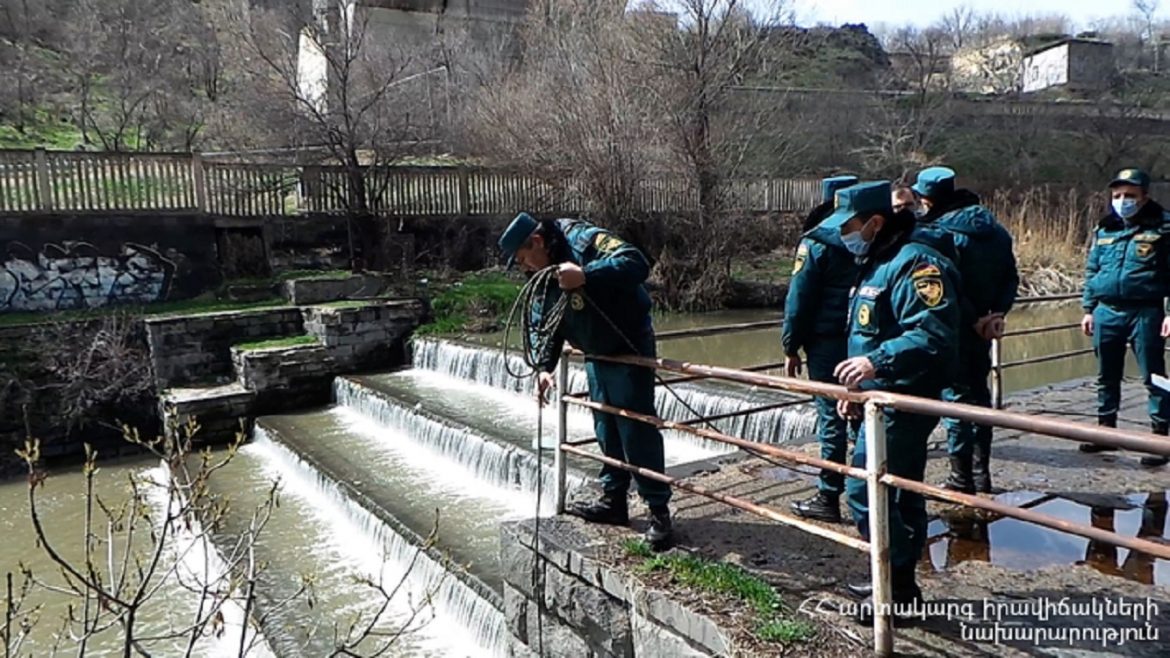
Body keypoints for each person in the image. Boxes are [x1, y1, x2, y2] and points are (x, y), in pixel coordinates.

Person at [822, 181, 961, 613]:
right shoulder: (876, 260)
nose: (843, 234)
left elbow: (932, 331)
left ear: (875, 222)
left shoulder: (916, 263)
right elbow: (865, 330)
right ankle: (898, 586)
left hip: (903, 397)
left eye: (849, 226)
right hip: (877, 397)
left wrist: (875, 363)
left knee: (865, 491)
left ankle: (896, 584)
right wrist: (856, 388)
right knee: (899, 494)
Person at [497, 212, 674, 548]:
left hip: (628, 346)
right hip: (594, 351)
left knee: (636, 427)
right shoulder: (542, 274)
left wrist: (586, 275)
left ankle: (658, 511)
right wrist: (544, 368)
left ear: (536, 242)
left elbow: (635, 262)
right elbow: (543, 317)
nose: (525, 268)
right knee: (605, 427)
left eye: (523, 259)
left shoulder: (581, 239)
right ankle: (614, 500)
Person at [911, 166, 1019, 493]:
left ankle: (961, 477)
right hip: (985, 329)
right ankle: (981, 473)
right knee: (980, 397)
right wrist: (996, 313)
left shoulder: (940, 234)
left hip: (954, 327)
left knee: (955, 400)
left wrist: (972, 318)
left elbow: (948, 287)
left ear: (928, 199)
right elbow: (1010, 277)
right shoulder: (997, 231)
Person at [1080, 168, 1170, 467]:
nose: (1122, 201)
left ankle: (1160, 439)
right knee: (1106, 375)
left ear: (1144, 197)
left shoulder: (1163, 227)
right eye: (1117, 196)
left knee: (1153, 376)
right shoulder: (1104, 229)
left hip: (1145, 311)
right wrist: (1088, 308)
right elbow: (1092, 271)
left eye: (1130, 195)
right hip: (1107, 311)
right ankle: (1105, 431)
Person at [783, 175, 859, 523]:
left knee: (831, 418)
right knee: (860, 412)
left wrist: (791, 345)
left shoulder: (817, 241)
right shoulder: (874, 235)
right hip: (863, 340)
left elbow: (799, 299)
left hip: (826, 343)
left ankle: (828, 495)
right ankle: (866, 485)